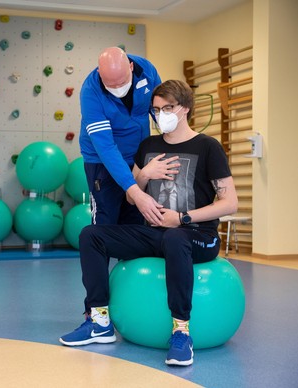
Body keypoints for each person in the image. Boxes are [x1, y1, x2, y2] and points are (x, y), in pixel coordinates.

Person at [61, 80, 238, 366]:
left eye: (168, 107)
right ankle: (99, 320)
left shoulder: (208, 147)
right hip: (154, 233)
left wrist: (182, 218)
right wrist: (145, 174)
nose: (160, 115)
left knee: (175, 237)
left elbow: (230, 203)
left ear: (186, 109)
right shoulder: (148, 146)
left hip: (196, 235)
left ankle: (181, 332)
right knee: (91, 234)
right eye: (155, 109)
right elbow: (133, 200)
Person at [79, 46, 163, 226]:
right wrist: (135, 191)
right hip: (102, 160)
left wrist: (167, 128)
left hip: (138, 155)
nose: (118, 88)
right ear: (100, 74)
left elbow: (159, 108)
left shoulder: (147, 70)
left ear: (131, 67)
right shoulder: (90, 92)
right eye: (111, 85)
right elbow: (106, 147)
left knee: (135, 220)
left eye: (122, 82)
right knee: (105, 221)